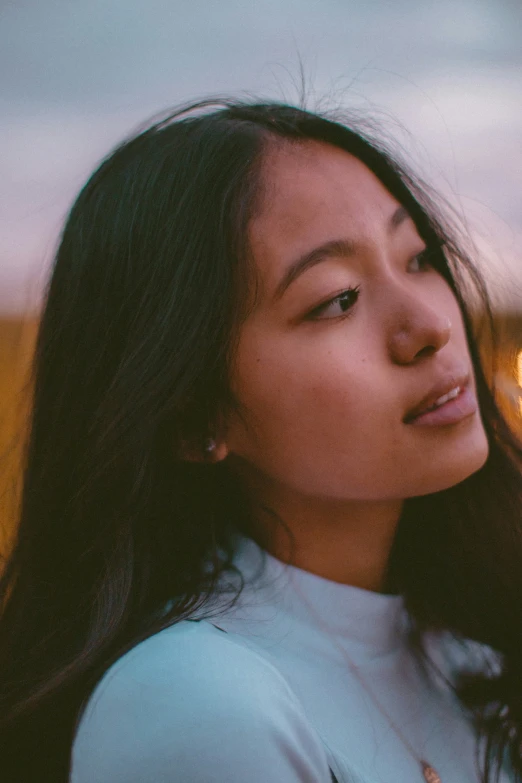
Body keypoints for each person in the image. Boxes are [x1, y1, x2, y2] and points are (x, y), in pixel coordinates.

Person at [0, 98, 521, 783]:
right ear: (195, 418)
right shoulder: (195, 703)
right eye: (337, 298)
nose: (429, 325)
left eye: (418, 258)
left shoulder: (472, 656)